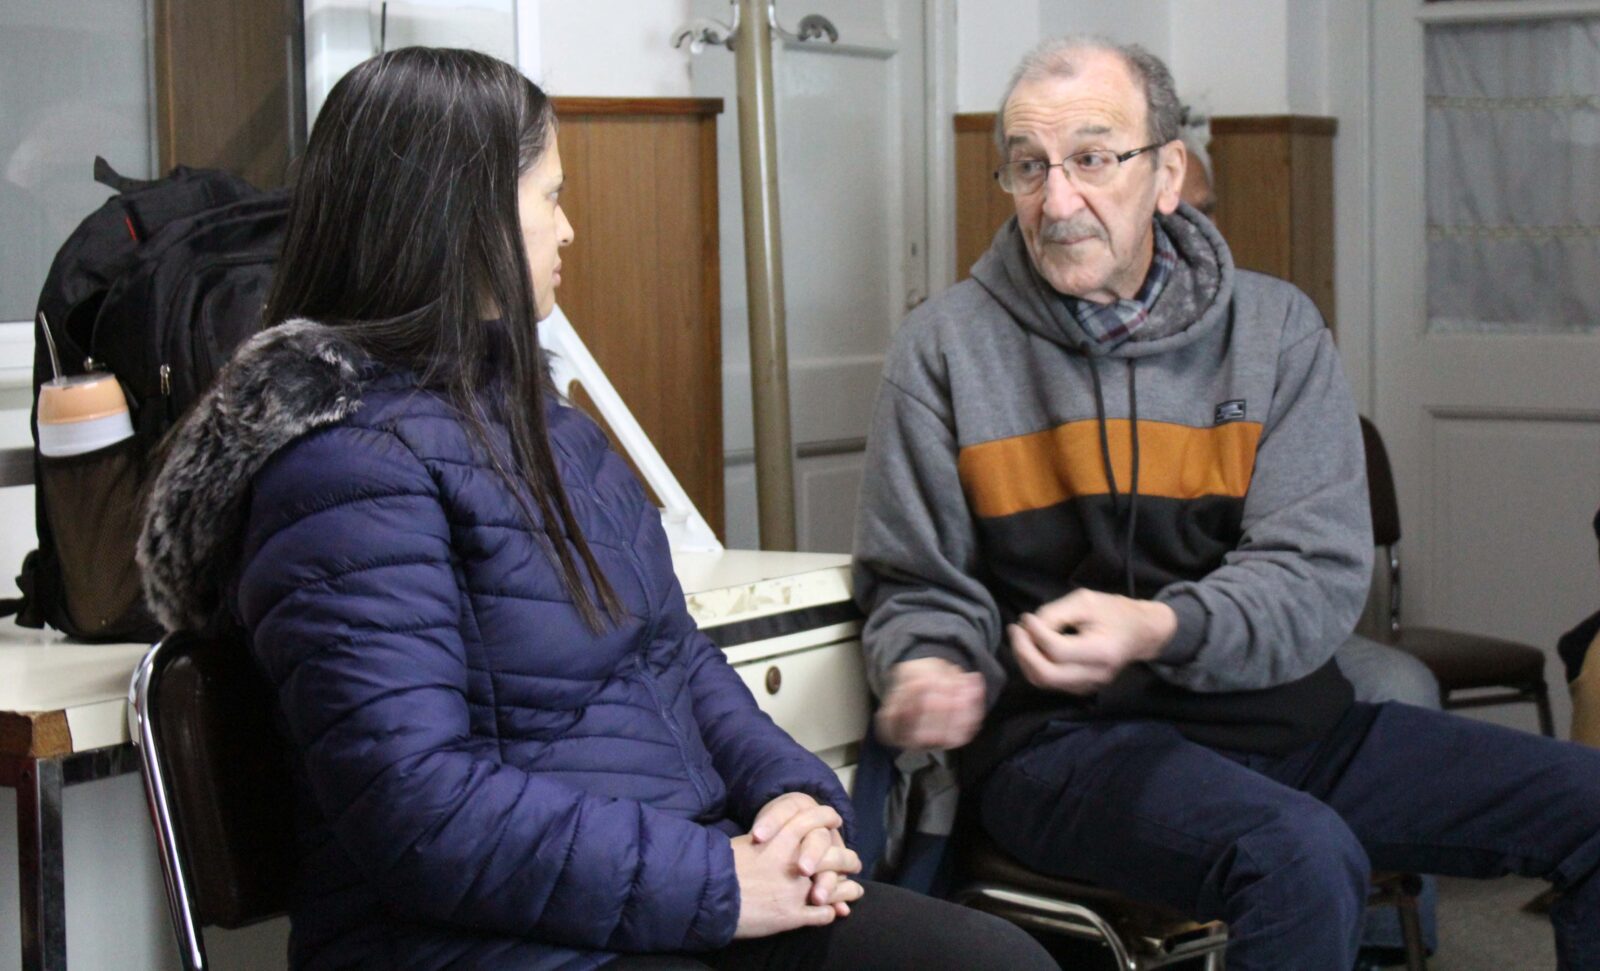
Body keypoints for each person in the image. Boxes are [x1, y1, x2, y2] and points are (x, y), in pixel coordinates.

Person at [136, 48, 1058, 971]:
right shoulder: (341, 472)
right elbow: (416, 806)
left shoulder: (551, 429)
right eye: (551, 197)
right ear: (464, 217)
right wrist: (717, 882)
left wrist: (792, 800)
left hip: (655, 897)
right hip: (472, 941)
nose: (569, 229)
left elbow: (675, 656)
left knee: (994, 961)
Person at [853, 34, 1600, 971]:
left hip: (1283, 721)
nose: (1057, 200)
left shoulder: (1277, 329)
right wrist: (926, 663)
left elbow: (1313, 576)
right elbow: (917, 582)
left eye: (1091, 159)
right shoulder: (944, 347)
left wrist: (1159, 627)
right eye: (1028, 166)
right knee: (1300, 857)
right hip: (1063, 746)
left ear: (1167, 174)